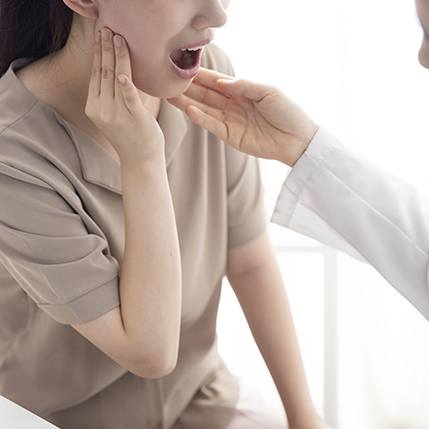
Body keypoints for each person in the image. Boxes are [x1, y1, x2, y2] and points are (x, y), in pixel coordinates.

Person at [0, 1, 332, 429]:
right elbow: (150, 352)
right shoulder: (14, 157)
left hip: (200, 401)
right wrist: (142, 158)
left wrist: (304, 417)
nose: (217, 14)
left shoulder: (206, 78)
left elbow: (249, 261)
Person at [167, 0, 429, 323]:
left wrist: (144, 161)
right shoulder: (212, 81)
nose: (422, 58)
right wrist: (301, 144)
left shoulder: (214, 70)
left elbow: (250, 261)